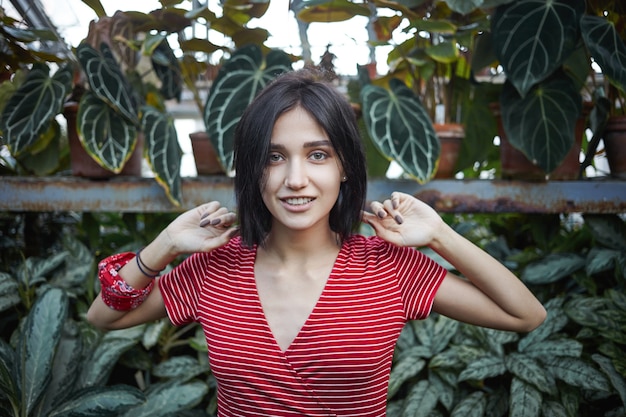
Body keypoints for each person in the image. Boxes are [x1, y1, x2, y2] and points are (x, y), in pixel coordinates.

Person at [87, 69, 546, 416]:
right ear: (253, 170)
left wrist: (442, 236)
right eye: (274, 157)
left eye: (318, 155)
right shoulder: (214, 269)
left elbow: (525, 315)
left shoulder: (390, 269)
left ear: (344, 166)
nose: (295, 180)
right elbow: (103, 316)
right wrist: (164, 246)